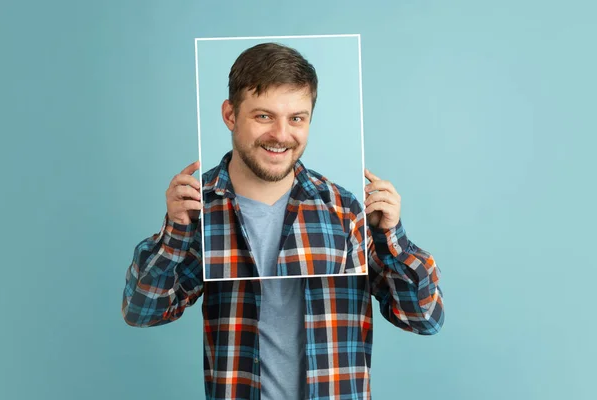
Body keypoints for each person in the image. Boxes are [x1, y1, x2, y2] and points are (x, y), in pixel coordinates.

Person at [122, 42, 444, 400]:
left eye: (296, 118)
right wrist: (176, 232)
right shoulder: (201, 211)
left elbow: (424, 318)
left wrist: (391, 237)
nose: (281, 134)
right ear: (230, 115)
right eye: (263, 116)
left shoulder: (345, 210)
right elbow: (142, 311)